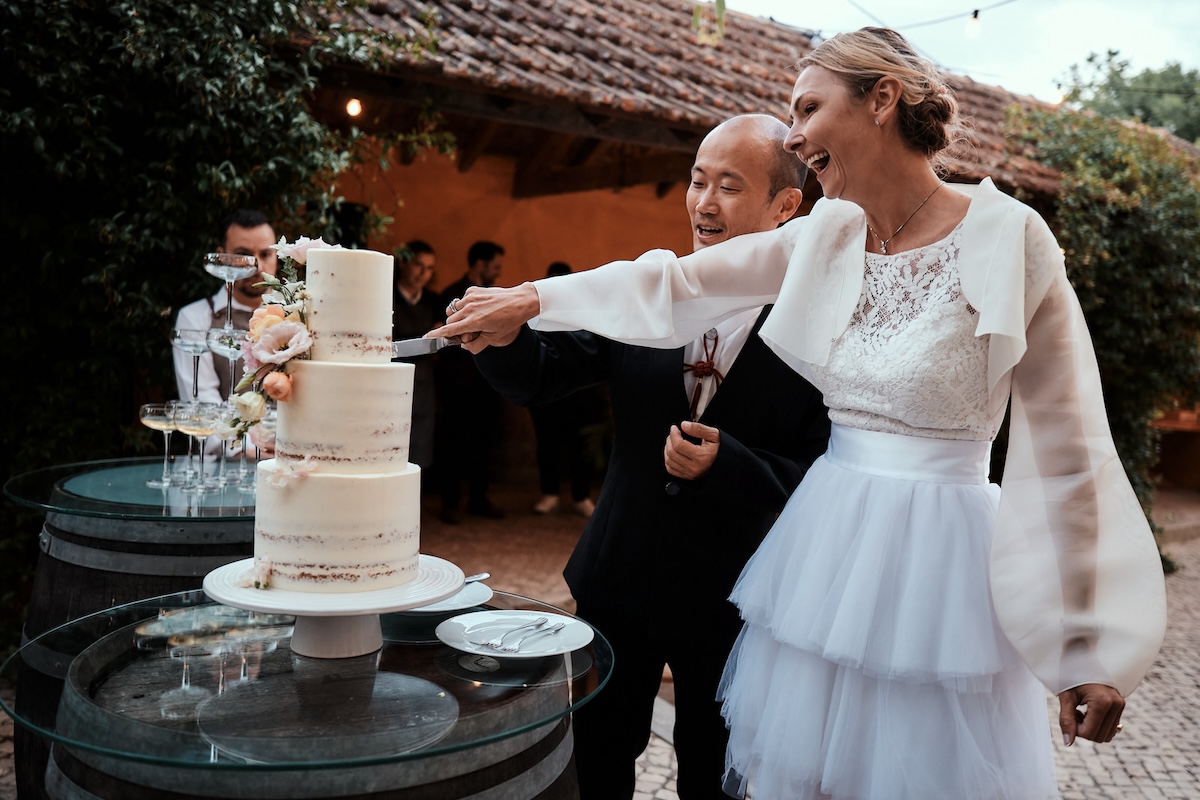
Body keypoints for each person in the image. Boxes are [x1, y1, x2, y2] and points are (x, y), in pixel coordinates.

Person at [435, 28, 1167, 800]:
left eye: (808, 107)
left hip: (942, 568)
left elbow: (1069, 447)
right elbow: (676, 288)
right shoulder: (825, 235)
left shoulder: (1011, 237)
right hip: (823, 557)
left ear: (881, 99)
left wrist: (1085, 645)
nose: (793, 133)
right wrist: (536, 298)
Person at [465, 115, 831, 798]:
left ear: (787, 206)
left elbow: (824, 471)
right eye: (697, 181)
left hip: (736, 600)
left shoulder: (815, 329)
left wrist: (733, 466)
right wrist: (501, 339)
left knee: (715, 771)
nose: (704, 203)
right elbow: (543, 372)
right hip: (618, 579)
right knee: (596, 760)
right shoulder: (644, 290)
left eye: (729, 185)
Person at [173, 209, 279, 457]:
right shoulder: (196, 318)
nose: (255, 265)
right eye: (243, 255)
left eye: (265, 254)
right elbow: (202, 404)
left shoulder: (299, 315)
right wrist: (246, 451)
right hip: (226, 465)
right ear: (221, 256)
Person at [433, 240, 508, 522]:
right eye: (496, 267)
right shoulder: (450, 295)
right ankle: (450, 502)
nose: (498, 273)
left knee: (484, 442)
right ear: (480, 264)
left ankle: (479, 498)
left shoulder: (497, 297)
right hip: (457, 383)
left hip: (487, 383)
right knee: (453, 442)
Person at [527, 261, 604, 519]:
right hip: (546, 393)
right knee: (546, 444)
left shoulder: (584, 310)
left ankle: (580, 496)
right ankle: (550, 494)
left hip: (579, 394)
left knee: (579, 445)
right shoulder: (534, 312)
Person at [392, 239, 442, 472]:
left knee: (419, 455)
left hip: (424, 387)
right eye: (419, 265)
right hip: (391, 387)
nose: (423, 273)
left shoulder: (435, 301)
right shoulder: (386, 296)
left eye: (430, 268)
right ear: (403, 263)